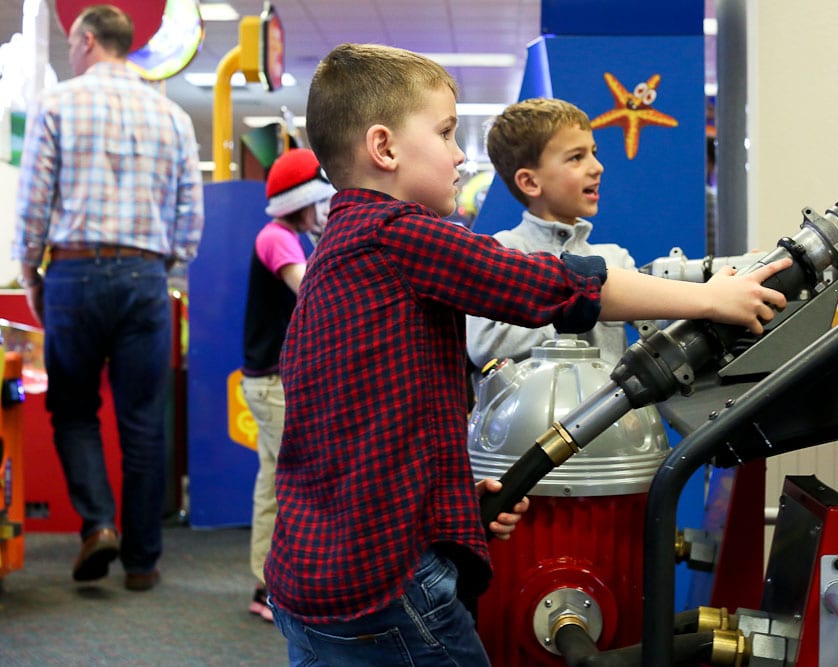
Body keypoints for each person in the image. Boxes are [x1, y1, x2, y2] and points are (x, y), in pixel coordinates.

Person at [265, 42, 790, 667]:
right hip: (387, 585)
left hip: (313, 574)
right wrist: (710, 300)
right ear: (384, 149)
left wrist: (454, 497)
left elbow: (366, 423)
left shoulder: (341, 253)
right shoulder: (397, 234)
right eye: (446, 132)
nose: (461, 153)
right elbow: (556, 287)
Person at [12, 4, 204, 592]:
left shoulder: (58, 104)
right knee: (144, 423)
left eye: (72, 46)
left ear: (88, 41)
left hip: (74, 273)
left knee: (73, 410)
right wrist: (158, 266)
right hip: (146, 279)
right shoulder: (172, 116)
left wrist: (31, 275)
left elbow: (34, 201)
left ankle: (98, 524)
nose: (69, 56)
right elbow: (190, 216)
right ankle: (143, 561)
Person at [467, 97, 636, 369]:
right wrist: (581, 308)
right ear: (530, 182)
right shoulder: (503, 252)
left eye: (594, 152)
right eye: (577, 157)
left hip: (615, 411)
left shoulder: (615, 260)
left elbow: (659, 327)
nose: (597, 167)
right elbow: (485, 344)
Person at [241, 148, 334, 622]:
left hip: (266, 383)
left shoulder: (286, 236)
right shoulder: (279, 239)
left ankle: (266, 585)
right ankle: (287, 587)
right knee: (305, 482)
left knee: (272, 488)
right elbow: (312, 293)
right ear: (304, 202)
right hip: (275, 385)